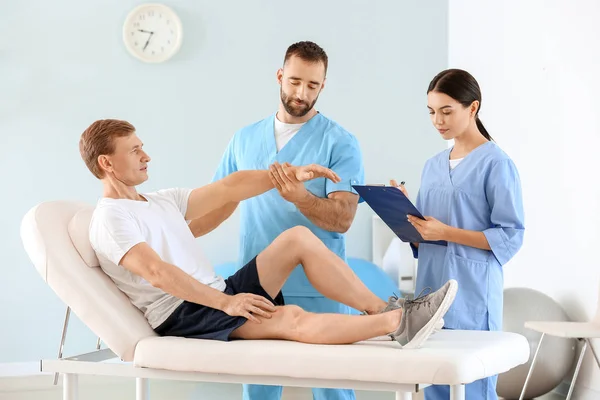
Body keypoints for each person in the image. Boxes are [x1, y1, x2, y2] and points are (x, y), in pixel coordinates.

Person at [79, 119, 458, 358]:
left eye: (142, 146)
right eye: (134, 150)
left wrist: (291, 174)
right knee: (289, 318)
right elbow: (157, 273)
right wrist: (225, 304)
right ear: (106, 163)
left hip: (213, 292)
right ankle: (395, 324)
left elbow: (230, 187)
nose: (146, 156)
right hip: (183, 312)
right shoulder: (111, 218)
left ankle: (384, 309)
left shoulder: (158, 201)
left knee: (297, 237)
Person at [198, 41, 365, 400]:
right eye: (294, 81)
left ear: (323, 86)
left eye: (312, 85)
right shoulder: (244, 140)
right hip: (256, 280)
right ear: (279, 76)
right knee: (258, 384)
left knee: (332, 386)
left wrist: (300, 198)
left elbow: (343, 219)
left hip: (318, 284)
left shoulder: (340, 143)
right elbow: (219, 203)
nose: (301, 93)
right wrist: (171, 235)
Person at [390, 69, 525, 400]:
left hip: (472, 293)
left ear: (473, 108)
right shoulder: (432, 165)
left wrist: (446, 232)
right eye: (432, 112)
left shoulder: (496, 163)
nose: (438, 120)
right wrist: (401, 212)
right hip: (432, 289)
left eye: (446, 111)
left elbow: (510, 235)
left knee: (473, 387)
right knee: (435, 381)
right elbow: (422, 236)